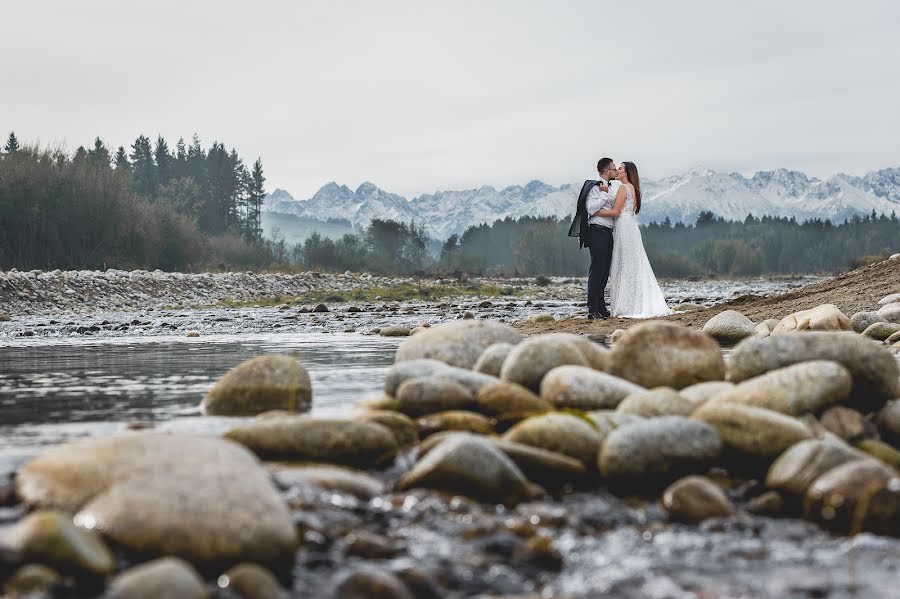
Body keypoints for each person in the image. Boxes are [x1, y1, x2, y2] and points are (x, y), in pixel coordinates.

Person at [591, 161, 671, 317]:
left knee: (624, 263)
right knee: (633, 263)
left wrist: (595, 213)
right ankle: (635, 302)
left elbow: (615, 212)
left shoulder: (623, 188)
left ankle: (626, 305)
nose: (617, 171)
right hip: (630, 227)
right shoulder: (634, 189)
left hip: (624, 227)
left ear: (626, 173)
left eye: (620, 168)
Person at [581, 158, 619, 319]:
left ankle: (602, 307)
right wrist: (603, 195)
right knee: (596, 270)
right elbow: (590, 209)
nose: (616, 171)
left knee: (604, 271)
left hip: (607, 232)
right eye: (613, 168)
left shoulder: (610, 187)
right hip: (597, 232)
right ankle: (592, 309)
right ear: (606, 171)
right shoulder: (595, 187)